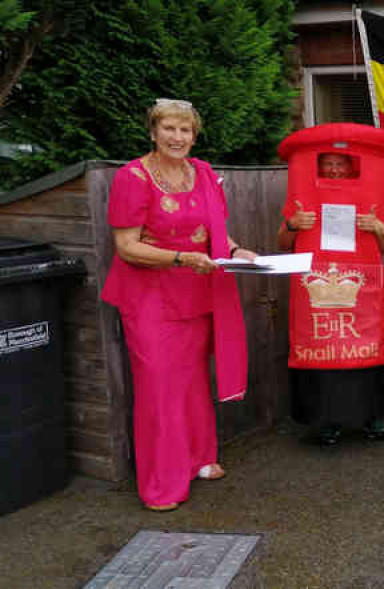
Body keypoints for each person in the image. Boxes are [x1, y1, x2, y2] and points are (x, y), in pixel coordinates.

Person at [101, 98, 257, 512]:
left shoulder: (203, 172)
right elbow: (126, 246)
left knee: (191, 381)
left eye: (185, 130)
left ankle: (199, 457)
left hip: (197, 292)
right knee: (158, 388)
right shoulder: (132, 177)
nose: (177, 137)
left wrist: (240, 252)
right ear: (152, 131)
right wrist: (180, 258)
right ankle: (162, 484)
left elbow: (216, 235)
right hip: (149, 298)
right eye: (169, 128)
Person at [277, 151, 384, 445]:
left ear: (351, 167)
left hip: (361, 281)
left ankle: (371, 416)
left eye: (340, 163)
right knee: (323, 349)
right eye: (328, 163)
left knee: (366, 347)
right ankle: (327, 420)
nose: (334, 169)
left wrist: (379, 228)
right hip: (317, 282)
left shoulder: (371, 197)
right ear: (318, 167)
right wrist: (294, 224)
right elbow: (282, 242)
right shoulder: (303, 200)